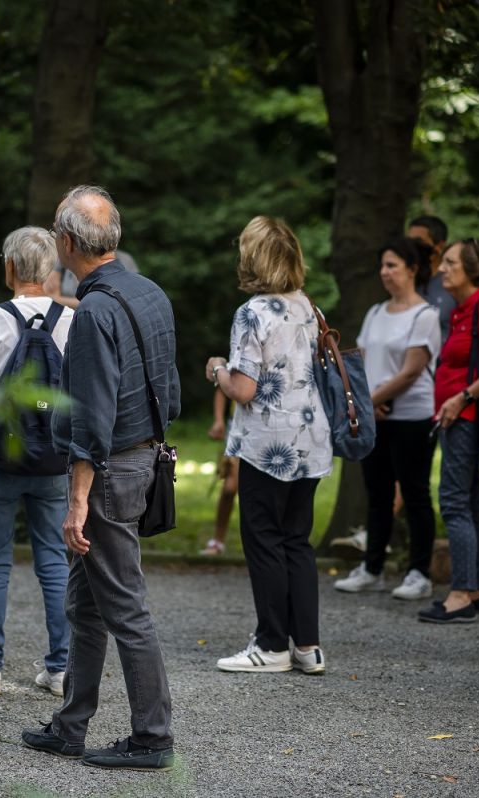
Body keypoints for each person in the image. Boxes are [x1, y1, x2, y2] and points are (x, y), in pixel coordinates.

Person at [21, 186, 179, 771]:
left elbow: (91, 416)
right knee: (84, 607)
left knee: (126, 608)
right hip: (144, 459)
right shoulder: (151, 294)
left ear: (65, 243)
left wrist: (77, 501)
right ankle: (70, 725)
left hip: (109, 474)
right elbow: (173, 388)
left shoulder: (94, 312)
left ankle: (152, 738)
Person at [205, 216, 332, 671]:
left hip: (267, 441)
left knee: (263, 538)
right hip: (310, 434)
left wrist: (217, 369)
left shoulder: (253, 313)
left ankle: (272, 644)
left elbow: (243, 388)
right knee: (297, 539)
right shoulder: (306, 306)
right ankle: (307, 646)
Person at [0, 226, 73, 696]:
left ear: (9, 268)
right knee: (53, 559)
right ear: (50, 271)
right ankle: (60, 667)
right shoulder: (70, 319)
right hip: (54, 458)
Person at [334, 237, 440, 600]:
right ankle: (373, 568)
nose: (385, 272)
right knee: (377, 493)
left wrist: (369, 400)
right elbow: (360, 359)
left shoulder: (425, 316)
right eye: (382, 266)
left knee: (414, 493)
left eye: (392, 265)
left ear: (412, 269)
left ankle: (419, 572)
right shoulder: (376, 312)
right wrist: (366, 402)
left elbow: (411, 372)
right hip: (375, 416)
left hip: (412, 416)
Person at [419, 239, 479, 624]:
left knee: (455, 501)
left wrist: (462, 397)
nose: (442, 268)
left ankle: (460, 592)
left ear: (472, 269)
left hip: (467, 418)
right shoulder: (463, 310)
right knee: (471, 502)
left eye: (450, 262)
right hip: (456, 417)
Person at [199, 388, 238, 556]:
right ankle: (217, 541)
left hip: (267, 430)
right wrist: (219, 420)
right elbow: (223, 387)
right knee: (229, 488)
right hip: (237, 427)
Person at [408, 215, 453, 341]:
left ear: (439, 246)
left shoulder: (454, 284)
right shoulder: (404, 284)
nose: (411, 248)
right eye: (409, 242)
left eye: (419, 242)